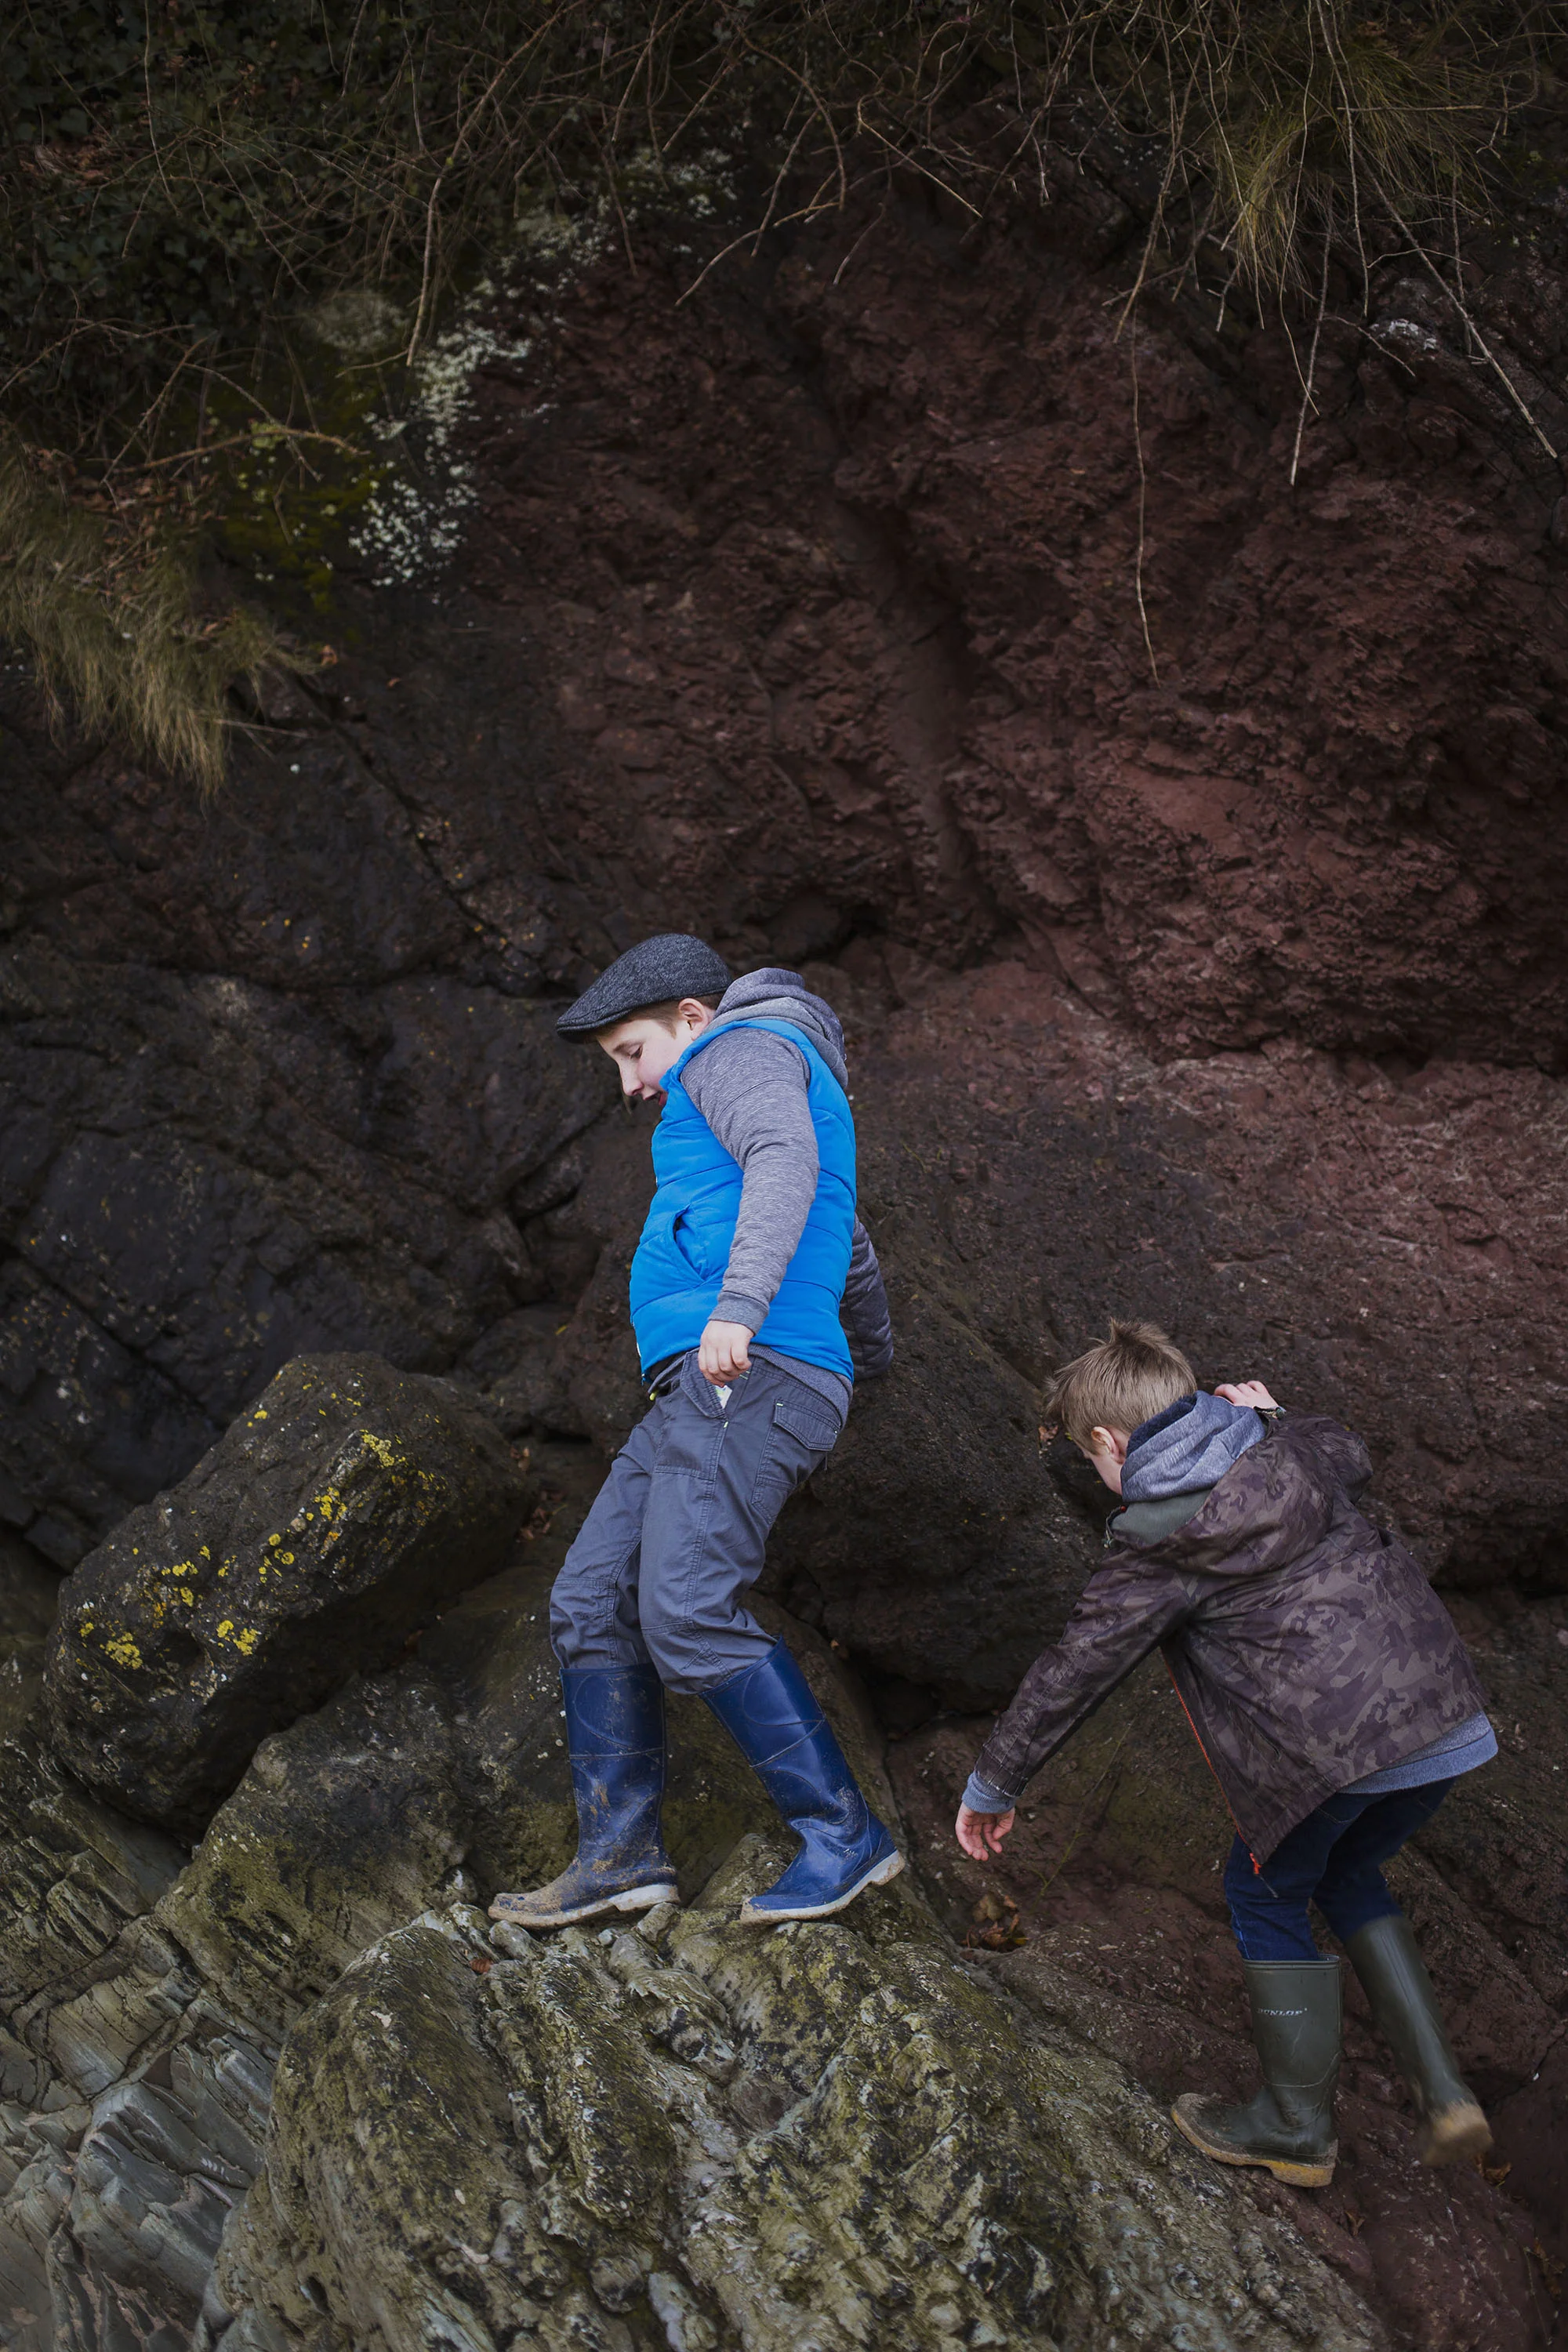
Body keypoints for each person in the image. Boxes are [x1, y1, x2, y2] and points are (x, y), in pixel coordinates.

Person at [955, 1319, 1496, 2187]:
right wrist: (1276, 1417)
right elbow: (1348, 1449)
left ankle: (1292, 2126)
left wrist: (995, 1780)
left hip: (1335, 1756)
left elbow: (1075, 1668)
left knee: (1260, 1885)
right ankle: (1444, 2094)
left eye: (1095, 1464)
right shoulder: (1291, 1448)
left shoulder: (1157, 1537)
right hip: (1445, 1723)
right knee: (1348, 1872)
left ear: (1107, 1441)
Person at [490, 933, 902, 1933]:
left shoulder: (739, 1049)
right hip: (720, 1383)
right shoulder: (762, 1071)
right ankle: (618, 1857)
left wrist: (746, 1311)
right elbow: (846, 1242)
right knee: (591, 1597)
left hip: (743, 1367)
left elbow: (783, 1159)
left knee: (681, 1606)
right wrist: (860, 1363)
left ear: (689, 1017)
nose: (630, 1084)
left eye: (632, 1052)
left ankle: (844, 1837)